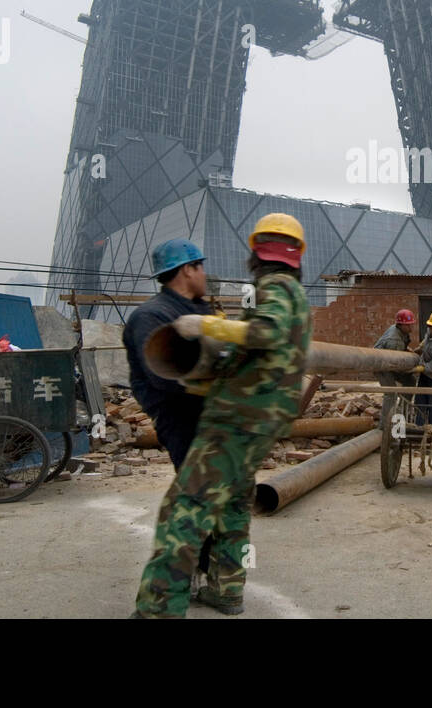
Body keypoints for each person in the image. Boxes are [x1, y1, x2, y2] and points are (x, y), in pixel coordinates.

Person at [134, 212, 312, 618]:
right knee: (233, 504)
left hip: (237, 419)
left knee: (185, 508)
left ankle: (158, 610)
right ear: (296, 253)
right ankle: (226, 589)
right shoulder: (293, 291)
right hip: (262, 419)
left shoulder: (276, 286)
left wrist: (206, 326)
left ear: (256, 252)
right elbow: (260, 356)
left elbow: (267, 332)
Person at [121, 239, 213, 469]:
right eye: (200, 267)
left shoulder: (200, 308)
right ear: (187, 270)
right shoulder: (151, 317)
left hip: (211, 409)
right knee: (199, 485)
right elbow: (162, 377)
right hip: (181, 417)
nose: (205, 274)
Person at [374, 309, 417, 424]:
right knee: (391, 393)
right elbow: (395, 365)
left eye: (411, 324)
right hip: (382, 366)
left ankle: (401, 412)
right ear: (401, 325)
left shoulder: (400, 331)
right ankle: (385, 425)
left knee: (411, 381)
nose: (411, 327)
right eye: (408, 325)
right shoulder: (394, 340)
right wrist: (410, 368)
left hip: (390, 360)